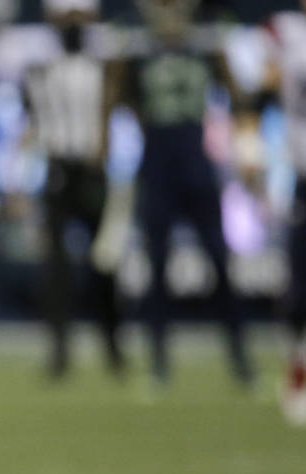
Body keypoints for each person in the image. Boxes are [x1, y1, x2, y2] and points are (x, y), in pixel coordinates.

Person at [105, 0, 253, 390]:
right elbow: (117, 96)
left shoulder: (205, 39)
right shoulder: (135, 42)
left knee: (219, 260)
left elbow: (235, 93)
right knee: (157, 266)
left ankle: (240, 357)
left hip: (195, 161)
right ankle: (158, 361)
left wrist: (249, 148)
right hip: (157, 163)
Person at [22, 0, 126, 379]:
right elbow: (30, 124)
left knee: (105, 263)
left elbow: (116, 117)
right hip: (57, 170)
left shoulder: (106, 67)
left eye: (78, 17)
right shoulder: (39, 70)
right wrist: (19, 179)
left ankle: (114, 349)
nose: (72, 25)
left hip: (94, 171)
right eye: (66, 17)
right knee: (55, 269)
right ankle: (59, 352)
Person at [252, 6, 306, 426]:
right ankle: (298, 375)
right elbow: (264, 83)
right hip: (304, 177)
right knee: (298, 292)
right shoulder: (285, 31)